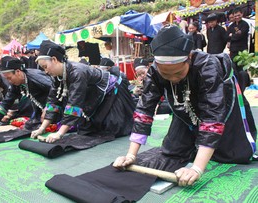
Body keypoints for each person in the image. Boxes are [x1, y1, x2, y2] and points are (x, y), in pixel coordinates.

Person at [113, 25, 257, 187]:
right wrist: (131, 156)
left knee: (232, 154)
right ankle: (197, 143)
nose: (173, 79)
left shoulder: (207, 66)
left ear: (189, 57)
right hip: (184, 105)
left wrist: (196, 168)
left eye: (178, 73)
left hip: (222, 102)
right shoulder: (154, 71)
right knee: (173, 151)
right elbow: (144, 111)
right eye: (166, 74)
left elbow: (213, 116)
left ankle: (207, 149)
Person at [31, 40, 135, 142]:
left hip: (112, 92)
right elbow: (53, 101)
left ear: (54, 59)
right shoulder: (57, 76)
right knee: (89, 131)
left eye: (45, 67)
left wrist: (59, 133)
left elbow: (74, 103)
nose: (45, 71)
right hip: (96, 96)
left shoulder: (77, 72)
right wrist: (42, 128)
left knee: (113, 129)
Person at [0, 56, 52, 130]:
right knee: (28, 127)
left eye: (9, 78)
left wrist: (48, 108)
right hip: (39, 110)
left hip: (53, 108)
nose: (9, 81)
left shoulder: (36, 78)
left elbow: (55, 92)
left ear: (18, 72)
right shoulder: (15, 84)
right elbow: (6, 102)